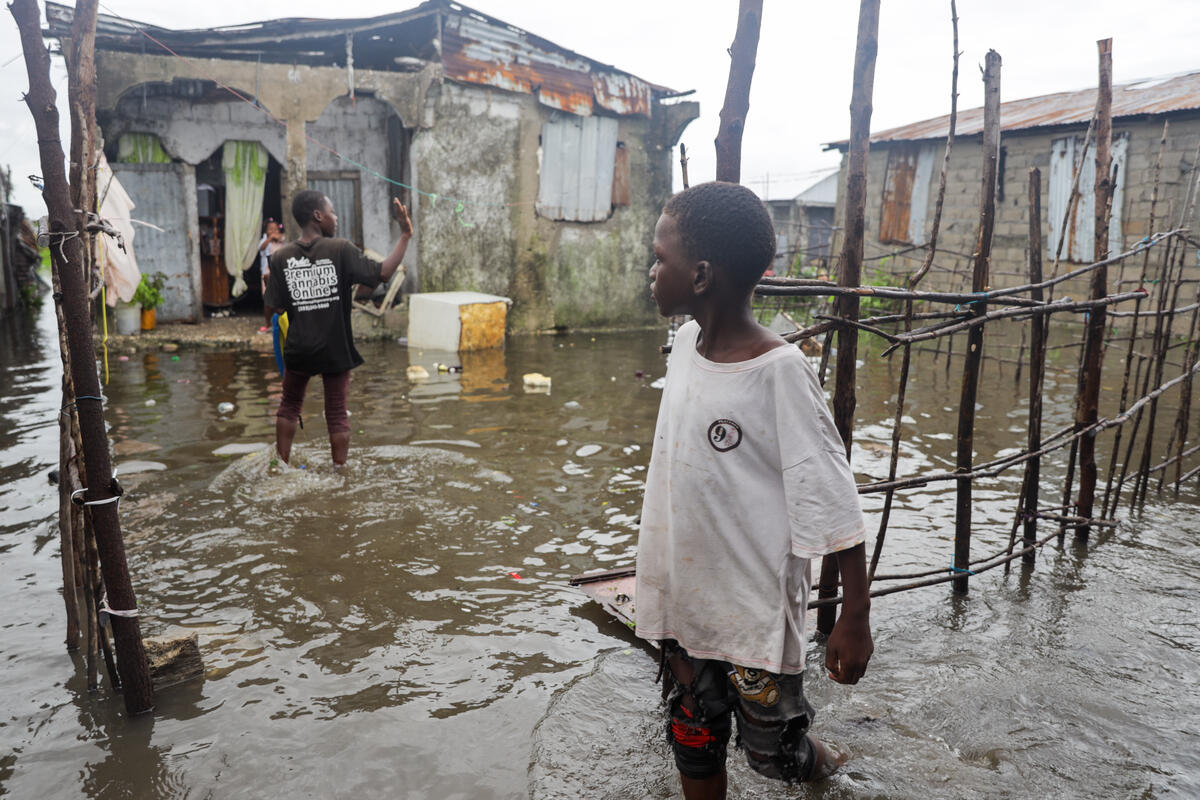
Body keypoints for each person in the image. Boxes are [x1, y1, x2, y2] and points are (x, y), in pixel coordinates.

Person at [635, 181, 873, 798]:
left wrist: (854, 616)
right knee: (693, 739)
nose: (651, 269)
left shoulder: (779, 373)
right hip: (685, 604)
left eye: (661, 258)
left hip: (752, 617)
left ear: (702, 275)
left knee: (774, 755)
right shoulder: (685, 345)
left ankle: (828, 761)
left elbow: (832, 499)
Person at [264, 190, 412, 466]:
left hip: (299, 348)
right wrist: (404, 236)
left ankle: (281, 466)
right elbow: (382, 273)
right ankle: (340, 475)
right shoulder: (341, 249)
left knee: (289, 405)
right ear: (318, 216)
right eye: (332, 212)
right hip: (334, 347)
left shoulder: (281, 258)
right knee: (336, 412)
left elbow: (274, 309)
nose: (336, 218)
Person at [257, 217, 285, 303]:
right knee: (268, 291)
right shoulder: (264, 240)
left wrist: (280, 238)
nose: (273, 232)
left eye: (276, 229)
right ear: (266, 232)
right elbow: (261, 248)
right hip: (267, 271)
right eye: (270, 229)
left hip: (281, 270)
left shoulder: (282, 241)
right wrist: (269, 239)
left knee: (281, 291)